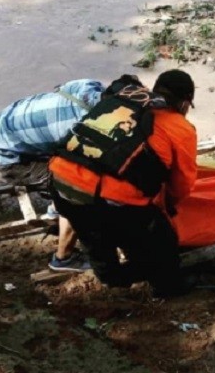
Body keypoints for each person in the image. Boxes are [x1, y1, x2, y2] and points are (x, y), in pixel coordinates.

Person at [49, 69, 198, 298]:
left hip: (60, 180)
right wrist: (167, 206)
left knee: (92, 235)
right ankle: (168, 287)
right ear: (185, 103)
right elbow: (182, 183)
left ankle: (108, 274)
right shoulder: (180, 127)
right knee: (162, 242)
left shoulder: (127, 97)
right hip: (104, 198)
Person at [0, 76, 140, 272]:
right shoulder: (82, 129)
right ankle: (63, 258)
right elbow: (76, 178)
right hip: (10, 158)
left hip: (5, 128)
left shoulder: (91, 86)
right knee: (78, 189)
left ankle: (54, 210)